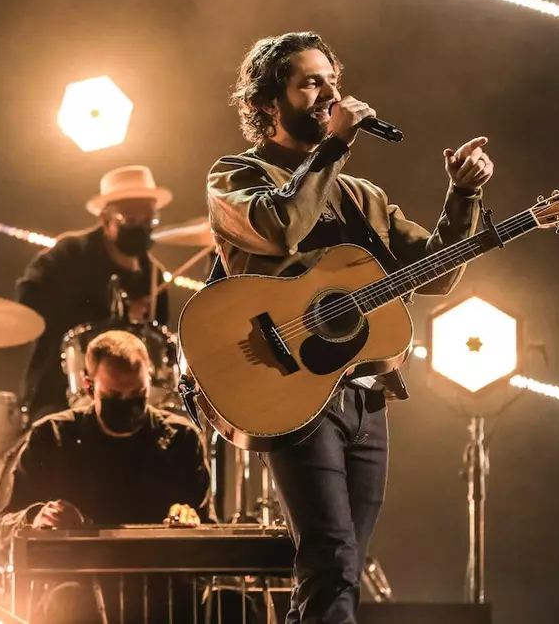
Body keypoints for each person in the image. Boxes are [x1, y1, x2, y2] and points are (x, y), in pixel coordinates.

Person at [207, 32, 495, 624]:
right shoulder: (235, 175)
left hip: (366, 397)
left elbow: (434, 274)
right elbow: (280, 230)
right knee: (333, 559)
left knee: (341, 568)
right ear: (267, 103)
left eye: (331, 82)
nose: (328, 95)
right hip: (289, 389)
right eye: (310, 83)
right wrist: (331, 148)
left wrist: (462, 196)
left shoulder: (363, 197)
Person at [0, 329, 225, 623]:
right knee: (69, 603)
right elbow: (4, 526)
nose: (128, 404)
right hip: (72, 594)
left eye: (138, 395)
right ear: (88, 385)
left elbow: (212, 537)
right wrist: (38, 516)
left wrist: (191, 523)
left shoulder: (182, 439)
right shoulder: (51, 437)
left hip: (162, 599)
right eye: (115, 396)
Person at [16, 165, 172, 420]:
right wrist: (113, 315)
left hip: (129, 403)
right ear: (104, 219)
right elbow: (29, 296)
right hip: (58, 395)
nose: (141, 227)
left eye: (148, 220)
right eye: (130, 220)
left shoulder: (154, 276)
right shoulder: (68, 255)